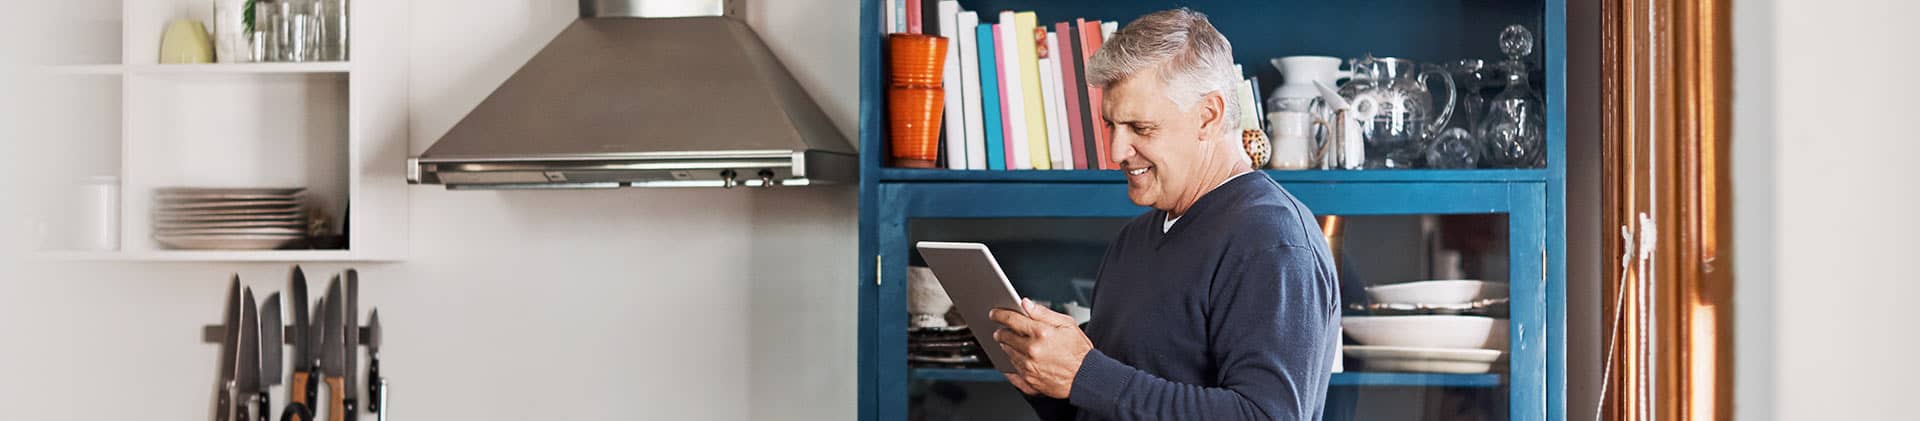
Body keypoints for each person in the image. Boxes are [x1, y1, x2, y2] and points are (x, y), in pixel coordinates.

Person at [986, 8, 1341, 421]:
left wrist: (1086, 375)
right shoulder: (1135, 239)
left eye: (1141, 127)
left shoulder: (1271, 241)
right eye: (1111, 126)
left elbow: (1265, 415)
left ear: (1208, 116)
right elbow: (1109, 401)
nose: (1117, 151)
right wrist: (1049, 381)